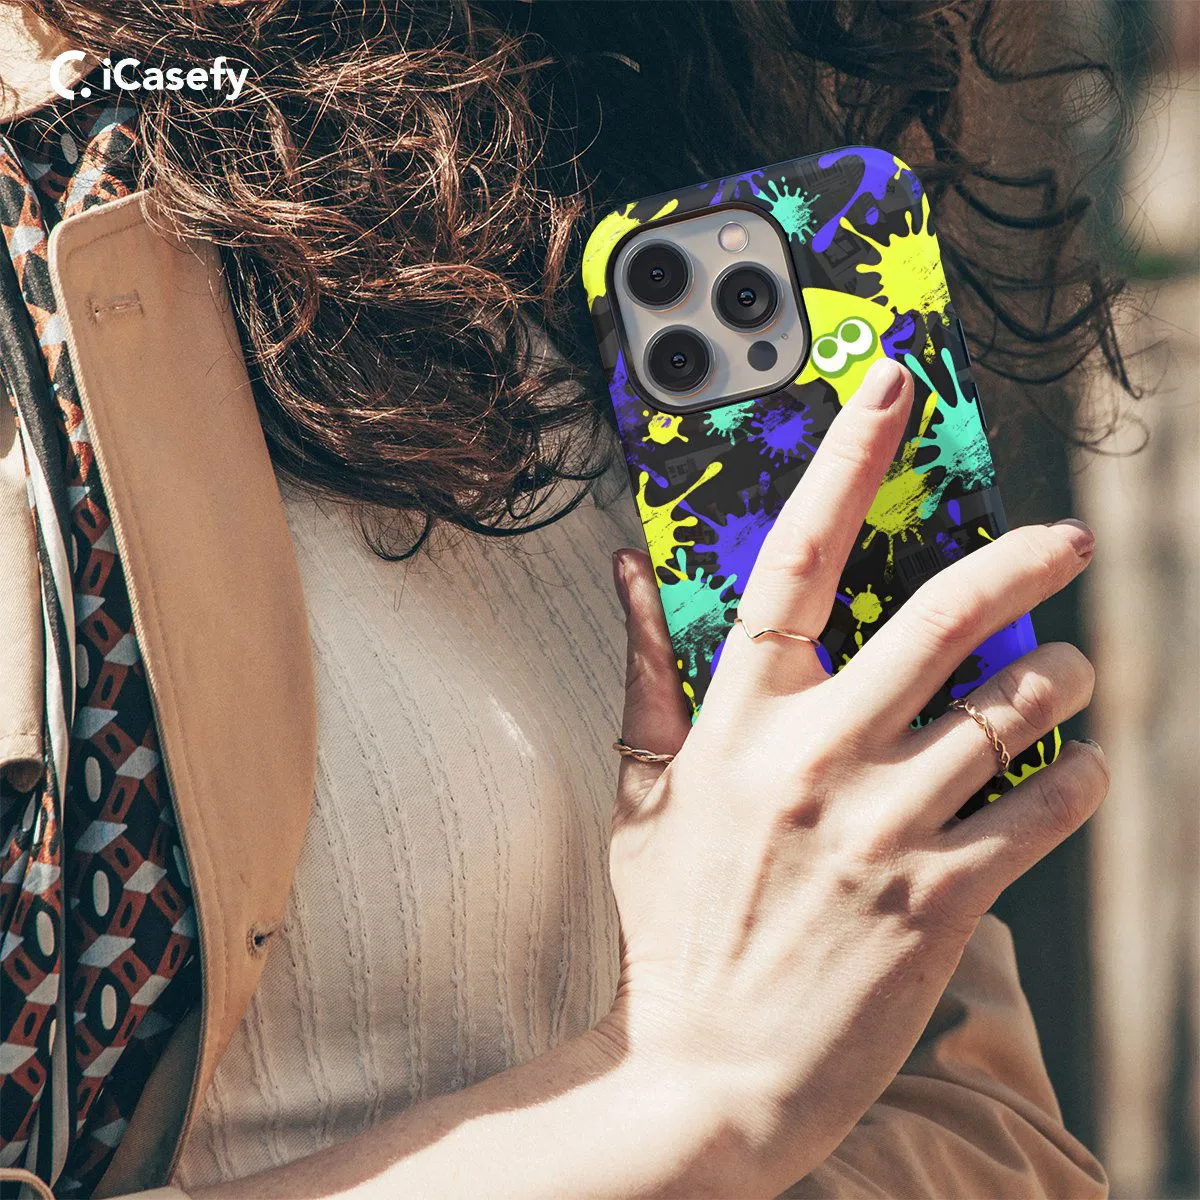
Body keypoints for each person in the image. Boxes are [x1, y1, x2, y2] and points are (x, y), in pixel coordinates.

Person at [0, 2, 1126, 1196]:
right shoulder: (47, 251)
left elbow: (990, 1137)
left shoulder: (609, 162)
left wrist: (739, 1090)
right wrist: (684, 1090)